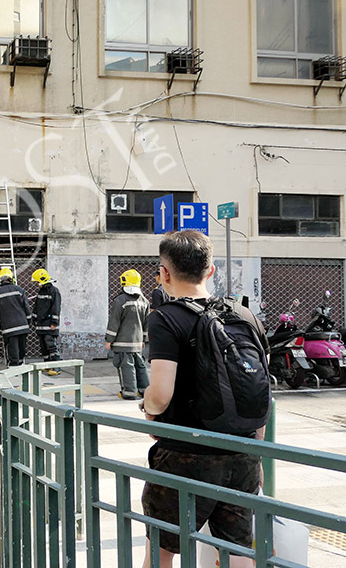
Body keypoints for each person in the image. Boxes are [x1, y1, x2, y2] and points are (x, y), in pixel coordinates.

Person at [141, 230, 266, 568]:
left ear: (164, 273)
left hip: (186, 455)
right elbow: (261, 390)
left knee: (162, 547)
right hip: (242, 454)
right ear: (211, 271)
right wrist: (257, 452)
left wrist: (147, 407)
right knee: (238, 549)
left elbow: (161, 395)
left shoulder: (165, 317)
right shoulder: (244, 316)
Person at [106, 269, 150, 400]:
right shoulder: (144, 301)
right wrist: (143, 339)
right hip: (137, 343)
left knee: (126, 366)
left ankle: (129, 392)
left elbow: (114, 321)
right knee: (140, 365)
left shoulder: (120, 300)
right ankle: (144, 390)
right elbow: (146, 323)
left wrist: (109, 339)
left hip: (122, 342)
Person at [0, 267, 32, 367]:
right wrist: (28, 320)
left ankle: (14, 366)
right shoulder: (19, 290)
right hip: (23, 325)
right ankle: (20, 363)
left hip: (8, 327)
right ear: (11, 278)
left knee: (12, 347)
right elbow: (26, 306)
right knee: (21, 346)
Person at [32, 268, 62, 376]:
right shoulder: (42, 291)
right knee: (44, 346)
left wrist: (54, 322)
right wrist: (34, 318)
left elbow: (56, 308)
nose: (37, 284)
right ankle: (47, 365)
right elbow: (37, 307)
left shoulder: (54, 291)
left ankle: (56, 366)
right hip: (41, 325)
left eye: (37, 282)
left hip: (49, 325)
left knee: (51, 345)